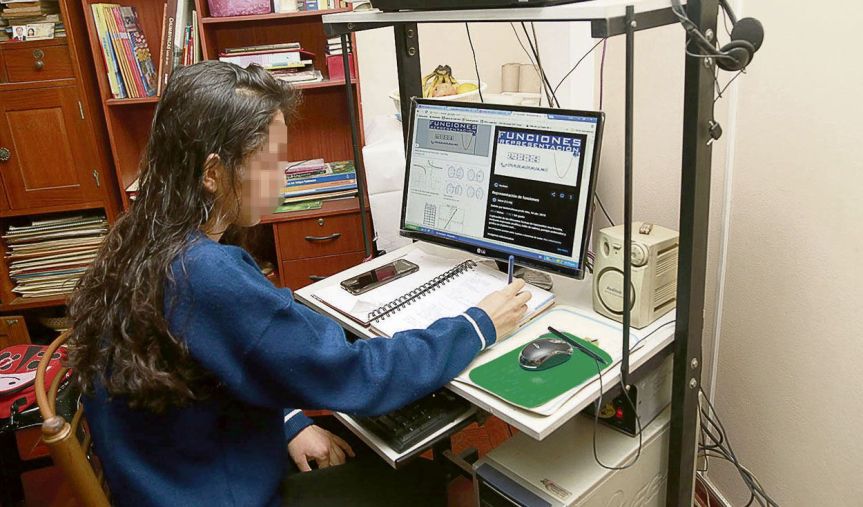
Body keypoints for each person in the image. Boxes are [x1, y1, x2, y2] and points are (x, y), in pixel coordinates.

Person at [66, 61, 531, 507]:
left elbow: (217, 366)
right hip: (218, 492)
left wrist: (288, 420)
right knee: (427, 480)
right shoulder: (204, 273)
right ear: (212, 174)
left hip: (175, 476)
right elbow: (359, 375)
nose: (283, 177)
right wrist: (477, 324)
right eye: (270, 162)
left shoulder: (142, 237)